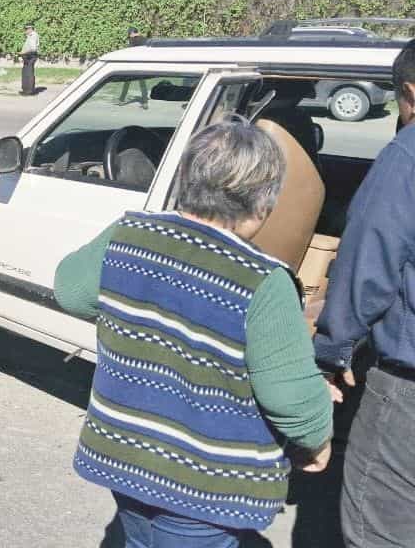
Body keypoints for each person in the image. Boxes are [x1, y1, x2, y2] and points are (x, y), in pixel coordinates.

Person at [54, 119, 334, 548]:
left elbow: (71, 291)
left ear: (186, 178)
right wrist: (317, 437)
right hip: (203, 485)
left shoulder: (129, 234)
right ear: (264, 203)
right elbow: (288, 395)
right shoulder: (262, 279)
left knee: (139, 538)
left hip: (125, 457)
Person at [314, 39, 415, 547]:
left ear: (411, 92)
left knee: (379, 527)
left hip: (408, 389)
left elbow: (367, 268)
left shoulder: (407, 156)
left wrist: (332, 350)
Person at [20, 24, 40, 95]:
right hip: (28, 55)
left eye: (26, 29)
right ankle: (26, 89)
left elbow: (33, 48)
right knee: (25, 72)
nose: (25, 31)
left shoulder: (33, 36)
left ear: (30, 29)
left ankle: (29, 90)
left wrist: (24, 52)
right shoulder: (30, 36)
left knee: (29, 73)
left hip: (30, 55)